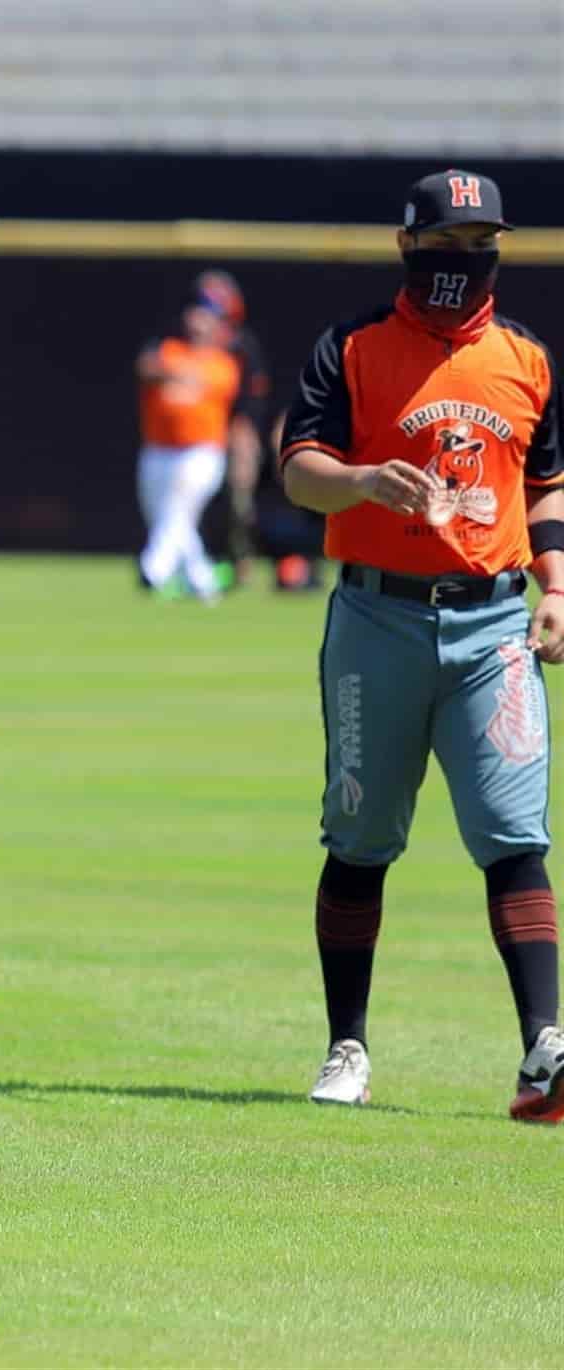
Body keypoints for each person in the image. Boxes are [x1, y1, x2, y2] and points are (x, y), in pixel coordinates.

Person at [280, 169, 562, 1123]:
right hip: (378, 619)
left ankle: (544, 1052)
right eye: (443, 243)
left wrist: (558, 585)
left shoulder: (524, 357)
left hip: (492, 623)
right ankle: (346, 1044)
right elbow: (299, 473)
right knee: (360, 838)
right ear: (407, 246)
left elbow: (547, 483)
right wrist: (362, 481)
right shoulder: (353, 347)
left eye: (478, 244)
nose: (462, 260)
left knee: (516, 837)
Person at [134, 296, 244, 602]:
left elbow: (213, 389)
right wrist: (172, 372)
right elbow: (146, 370)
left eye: (206, 318)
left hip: (201, 452)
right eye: (195, 316)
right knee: (166, 517)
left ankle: (153, 569)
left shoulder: (222, 363)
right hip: (158, 449)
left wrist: (176, 373)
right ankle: (202, 580)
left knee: (178, 509)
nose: (198, 323)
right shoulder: (169, 349)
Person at [191, 270, 275, 581]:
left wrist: (243, 428)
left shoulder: (240, 345)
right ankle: (195, 561)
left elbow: (254, 395)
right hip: (198, 435)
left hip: (233, 431)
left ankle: (241, 561)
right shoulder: (189, 345)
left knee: (238, 500)